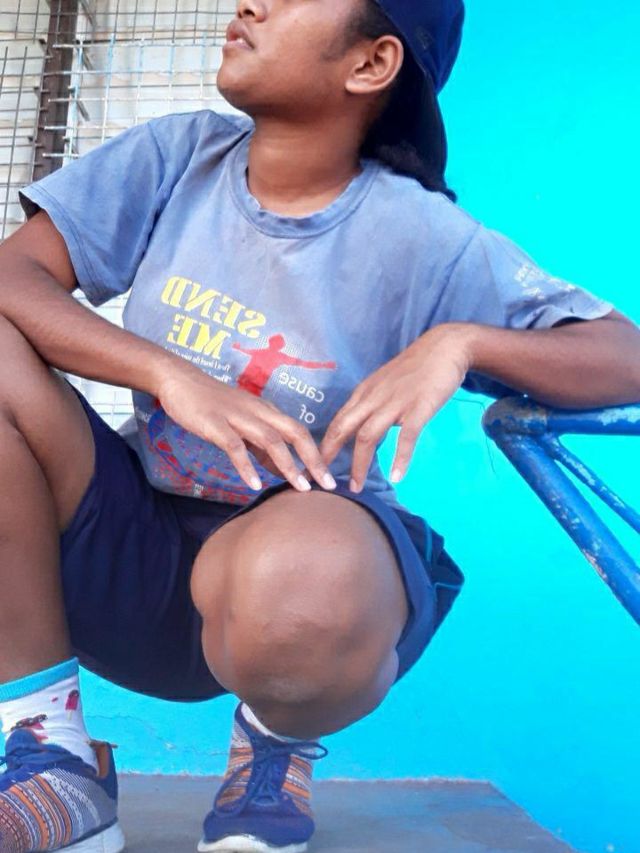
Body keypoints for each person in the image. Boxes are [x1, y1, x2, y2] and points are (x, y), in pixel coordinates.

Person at [0, 0, 638, 851]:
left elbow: (626, 355)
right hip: (131, 553)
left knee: (299, 585)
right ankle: (49, 754)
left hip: (302, 592)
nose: (249, 5)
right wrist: (167, 374)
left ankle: (270, 748)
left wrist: (462, 342)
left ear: (371, 64)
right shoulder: (176, 158)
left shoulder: (421, 236)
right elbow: (14, 275)